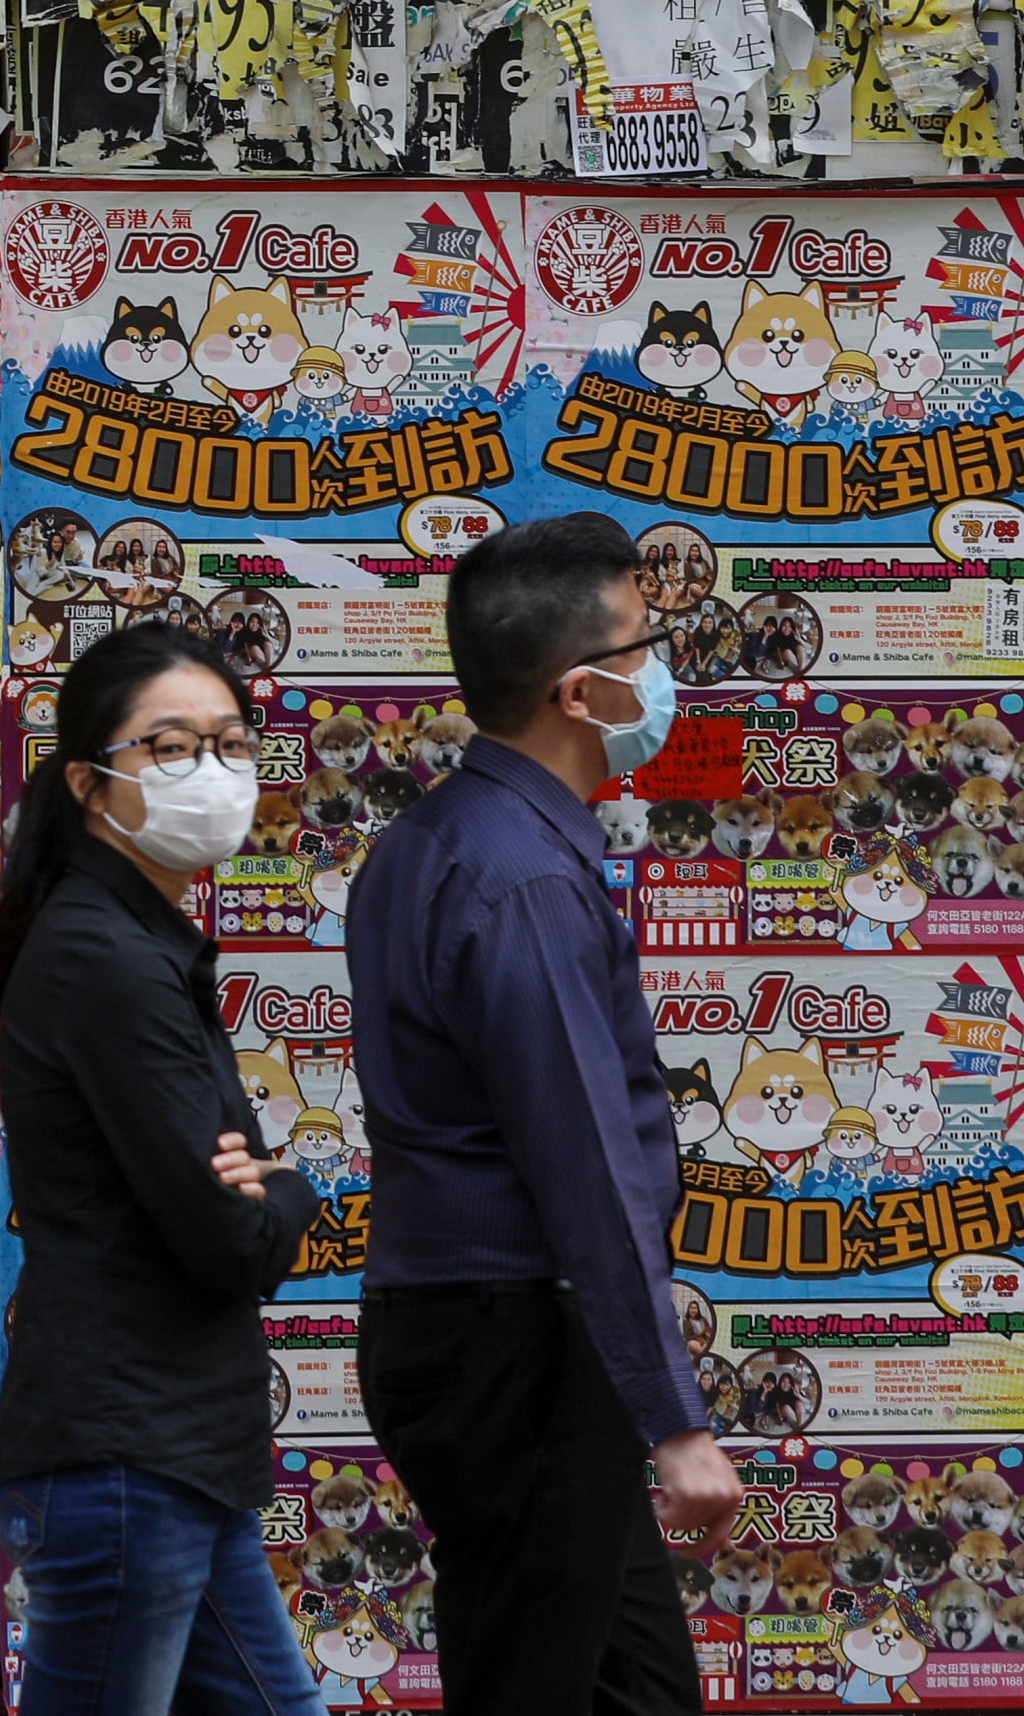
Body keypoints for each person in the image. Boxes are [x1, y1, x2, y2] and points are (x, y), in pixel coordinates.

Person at [343, 512, 744, 1716]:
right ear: (583, 690)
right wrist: (677, 1421)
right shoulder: (516, 878)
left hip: (490, 1339)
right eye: (645, 645)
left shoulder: (441, 841)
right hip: (512, 1346)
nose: (664, 669)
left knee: (638, 1690)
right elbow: (585, 1163)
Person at [0, 623, 323, 1716]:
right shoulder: (104, 956)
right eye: (171, 747)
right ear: (91, 782)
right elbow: (227, 1234)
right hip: (125, 1458)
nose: (213, 773)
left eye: (230, 742)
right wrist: (289, 1186)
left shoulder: (143, 940)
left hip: (182, 1457)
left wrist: (259, 1181)